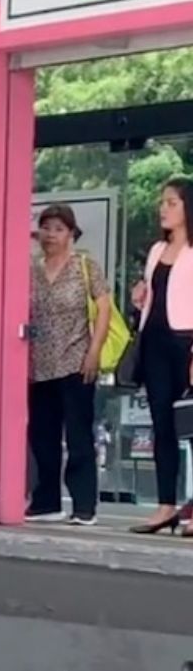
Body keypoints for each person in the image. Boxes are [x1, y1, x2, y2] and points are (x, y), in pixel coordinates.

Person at [26, 204, 111, 525]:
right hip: (39, 365)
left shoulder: (85, 266)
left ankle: (84, 505)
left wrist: (94, 351)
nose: (51, 235)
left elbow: (103, 309)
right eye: (46, 228)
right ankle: (46, 502)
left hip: (76, 361)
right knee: (42, 436)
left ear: (71, 233)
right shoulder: (31, 269)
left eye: (59, 229)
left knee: (78, 436)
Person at [130, 177, 193, 534]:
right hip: (154, 341)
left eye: (172, 202)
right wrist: (140, 297)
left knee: (192, 424)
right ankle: (166, 506)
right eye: (162, 202)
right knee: (162, 425)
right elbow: (157, 295)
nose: (163, 209)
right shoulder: (157, 250)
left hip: (186, 343)